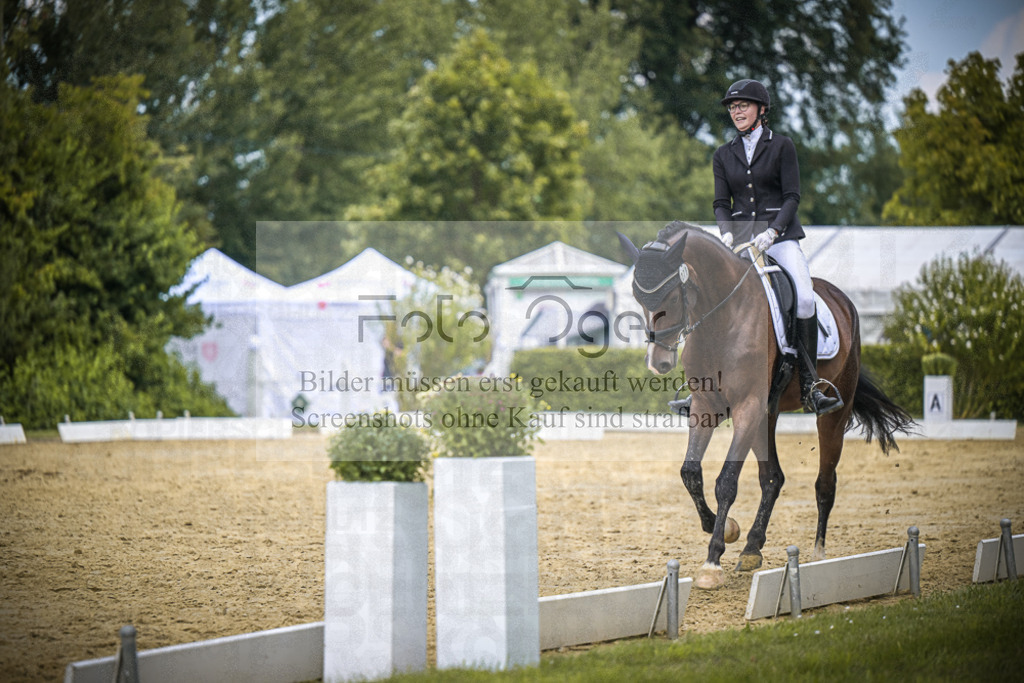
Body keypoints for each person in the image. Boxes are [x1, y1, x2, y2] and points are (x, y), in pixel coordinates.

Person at [710, 78, 842, 416]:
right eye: (733, 107)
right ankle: (702, 383)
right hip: (739, 242)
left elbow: (792, 196)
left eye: (743, 105)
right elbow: (721, 203)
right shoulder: (723, 155)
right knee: (708, 294)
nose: (737, 111)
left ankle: (811, 384)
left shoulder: (782, 146)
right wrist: (726, 233)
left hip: (779, 239)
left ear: (761, 110)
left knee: (805, 297)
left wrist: (773, 231)